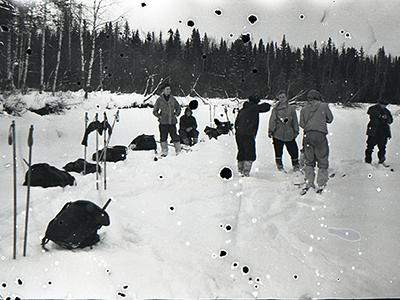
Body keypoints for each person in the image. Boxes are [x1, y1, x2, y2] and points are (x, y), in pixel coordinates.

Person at [299, 89, 334, 192]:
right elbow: (330, 119)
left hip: (308, 135)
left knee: (309, 160)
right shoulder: (324, 106)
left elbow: (302, 124)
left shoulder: (304, 109)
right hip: (320, 135)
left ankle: (309, 182)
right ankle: (321, 183)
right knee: (322, 158)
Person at [235, 94, 271, 176]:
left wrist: (238, 129)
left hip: (239, 133)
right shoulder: (254, 108)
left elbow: (237, 121)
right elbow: (266, 107)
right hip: (248, 134)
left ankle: (240, 169)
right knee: (250, 153)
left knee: (241, 151)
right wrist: (271, 105)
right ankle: (246, 171)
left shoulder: (243, 109)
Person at [268, 90, 300, 172]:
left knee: (293, 150)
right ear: (278, 98)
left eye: (283, 97)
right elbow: (272, 120)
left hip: (289, 133)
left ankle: (296, 165)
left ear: (286, 98)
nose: (282, 99)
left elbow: (295, 120)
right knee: (278, 150)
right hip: (278, 133)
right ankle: (279, 165)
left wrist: (296, 130)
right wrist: (271, 130)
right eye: (280, 97)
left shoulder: (291, 109)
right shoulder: (275, 109)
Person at [152, 83, 182, 156]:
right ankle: (164, 151)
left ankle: (178, 150)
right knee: (163, 137)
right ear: (163, 90)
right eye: (167, 89)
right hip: (163, 122)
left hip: (172, 122)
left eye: (169, 89)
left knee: (174, 136)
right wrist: (159, 116)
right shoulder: (159, 100)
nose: (169, 91)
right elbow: (155, 111)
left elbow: (178, 108)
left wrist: (176, 114)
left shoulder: (173, 99)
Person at [364, 99, 393, 166]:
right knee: (370, 146)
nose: (384, 106)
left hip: (383, 132)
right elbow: (370, 112)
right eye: (383, 104)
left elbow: (390, 121)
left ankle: (381, 160)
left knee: (382, 147)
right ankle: (368, 161)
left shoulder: (387, 111)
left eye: (385, 105)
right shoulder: (373, 108)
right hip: (374, 131)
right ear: (379, 103)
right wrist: (380, 116)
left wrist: (386, 118)